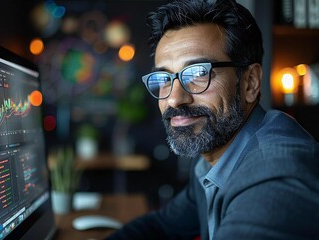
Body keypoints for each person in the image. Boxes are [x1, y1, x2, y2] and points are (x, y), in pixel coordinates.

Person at [107, 0, 319, 239]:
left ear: (250, 82)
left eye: (198, 73)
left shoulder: (276, 175)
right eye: (164, 78)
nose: (175, 99)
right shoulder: (214, 158)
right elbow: (162, 225)